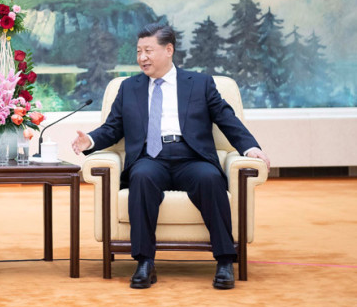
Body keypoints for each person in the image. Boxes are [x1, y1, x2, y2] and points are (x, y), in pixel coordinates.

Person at [71, 23, 270, 290]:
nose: (142, 57)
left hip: (191, 157)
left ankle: (224, 261)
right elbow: (113, 127)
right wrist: (90, 141)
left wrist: (250, 147)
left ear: (168, 50)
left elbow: (225, 117)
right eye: (139, 51)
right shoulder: (129, 87)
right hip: (150, 158)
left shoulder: (200, 83)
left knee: (210, 179)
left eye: (148, 50)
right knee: (140, 177)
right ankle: (144, 262)